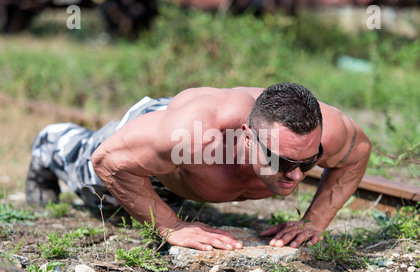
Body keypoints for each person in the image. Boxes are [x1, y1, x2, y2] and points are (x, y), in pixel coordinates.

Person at [26, 83, 371, 251]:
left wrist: (314, 222)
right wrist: (171, 227)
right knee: (96, 188)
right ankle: (50, 141)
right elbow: (108, 160)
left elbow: (358, 154)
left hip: (187, 158)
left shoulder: (325, 132)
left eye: (307, 161)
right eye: (281, 161)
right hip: (154, 137)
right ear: (247, 138)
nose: (296, 175)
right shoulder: (194, 138)